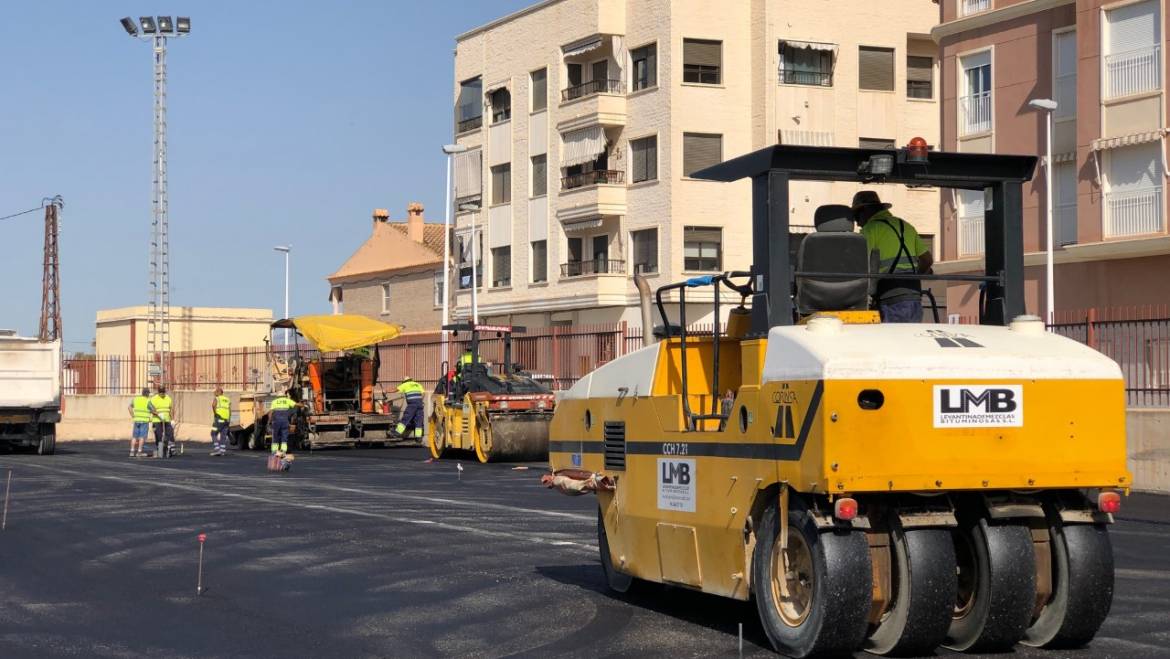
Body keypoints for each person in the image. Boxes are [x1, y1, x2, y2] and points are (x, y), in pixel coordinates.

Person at [852, 190, 934, 323]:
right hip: (914, 297)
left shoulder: (870, 230)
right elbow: (927, 260)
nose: (857, 222)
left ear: (865, 211)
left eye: (856, 216)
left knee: (892, 341)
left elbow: (859, 266)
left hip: (890, 299)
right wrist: (913, 276)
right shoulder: (907, 227)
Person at [393, 376, 426, 441]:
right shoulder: (417, 384)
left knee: (406, 418)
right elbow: (423, 393)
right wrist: (420, 400)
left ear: (405, 381)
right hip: (419, 404)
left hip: (412, 404)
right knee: (418, 420)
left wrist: (386, 391)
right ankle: (418, 437)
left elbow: (395, 389)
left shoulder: (405, 385)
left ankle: (397, 433)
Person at [148, 384, 175, 458]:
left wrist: (172, 419)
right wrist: (158, 414)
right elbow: (150, 408)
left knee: (170, 434)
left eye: (163, 392)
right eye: (161, 392)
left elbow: (171, 409)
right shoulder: (154, 399)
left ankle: (169, 449)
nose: (162, 394)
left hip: (167, 419)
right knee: (158, 435)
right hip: (157, 420)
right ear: (158, 392)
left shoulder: (168, 398)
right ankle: (159, 448)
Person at [269, 391, 297, 456]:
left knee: (275, 436)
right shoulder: (287, 400)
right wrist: (303, 405)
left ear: (278, 396)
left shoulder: (274, 402)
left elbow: (270, 412)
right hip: (285, 422)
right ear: (284, 396)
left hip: (276, 422)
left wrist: (270, 421)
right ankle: (283, 451)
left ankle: (274, 452)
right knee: (284, 437)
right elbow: (295, 404)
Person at [128, 387, 152, 457]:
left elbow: (129, 407)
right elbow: (153, 409)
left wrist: (133, 415)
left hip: (137, 420)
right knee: (142, 437)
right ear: (147, 393)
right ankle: (139, 452)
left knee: (134, 436)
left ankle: (132, 451)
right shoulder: (148, 401)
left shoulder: (136, 399)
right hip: (144, 421)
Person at [210, 387, 231, 456]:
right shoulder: (227, 399)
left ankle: (217, 449)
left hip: (219, 420)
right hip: (226, 421)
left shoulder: (217, 398)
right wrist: (229, 419)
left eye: (216, 392)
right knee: (223, 436)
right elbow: (229, 410)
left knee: (213, 433)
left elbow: (213, 405)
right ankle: (222, 451)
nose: (214, 393)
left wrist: (215, 413)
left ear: (219, 392)